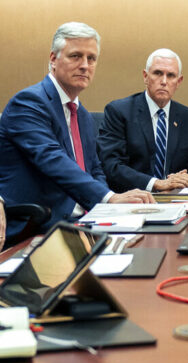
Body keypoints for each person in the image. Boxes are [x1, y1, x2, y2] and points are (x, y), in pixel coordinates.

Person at [0, 22, 154, 243]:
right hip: (37, 228)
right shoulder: (29, 103)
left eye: (91, 59)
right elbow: (53, 160)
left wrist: (107, 210)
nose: (85, 65)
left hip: (82, 223)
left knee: (151, 243)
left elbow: (94, 168)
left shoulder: (81, 113)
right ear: (53, 59)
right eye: (76, 56)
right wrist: (108, 198)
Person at [98, 48, 188, 193]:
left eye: (171, 76)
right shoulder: (119, 111)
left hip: (176, 199)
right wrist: (156, 183)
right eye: (157, 73)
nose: (163, 81)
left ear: (179, 81)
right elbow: (111, 165)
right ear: (145, 76)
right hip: (132, 198)